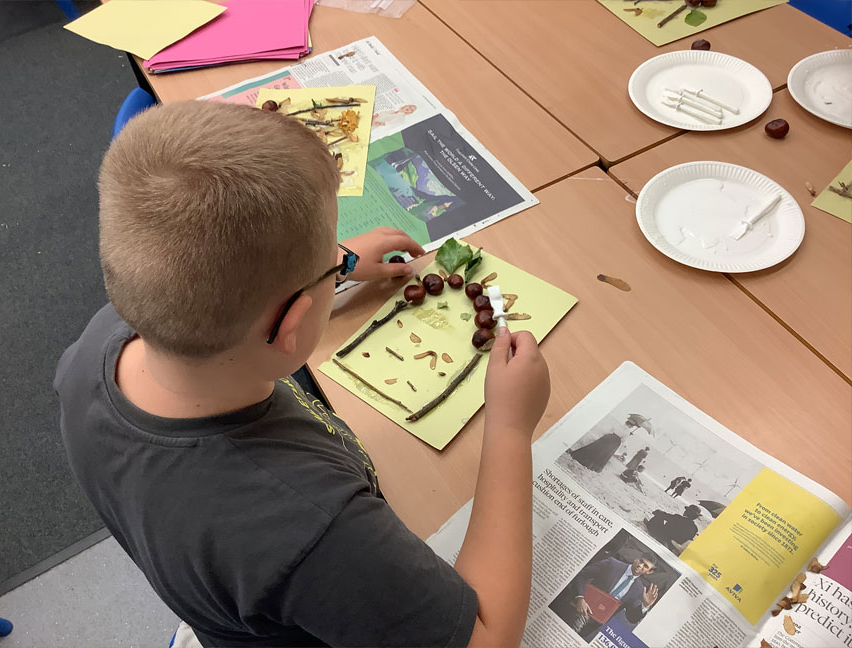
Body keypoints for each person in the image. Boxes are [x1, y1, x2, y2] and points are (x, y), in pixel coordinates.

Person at [54, 102, 551, 648]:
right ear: (291, 324)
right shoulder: (314, 530)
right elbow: (489, 639)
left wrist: (325, 268)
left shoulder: (100, 345)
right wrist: (508, 430)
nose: (341, 261)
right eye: (332, 264)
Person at [569, 555, 660, 639]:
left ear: (649, 572)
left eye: (645, 566)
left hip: (594, 623)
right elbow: (582, 575)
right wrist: (580, 598)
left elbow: (631, 617)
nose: (640, 565)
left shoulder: (638, 589)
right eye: (641, 561)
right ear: (636, 559)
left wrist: (645, 606)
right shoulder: (612, 564)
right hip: (578, 609)